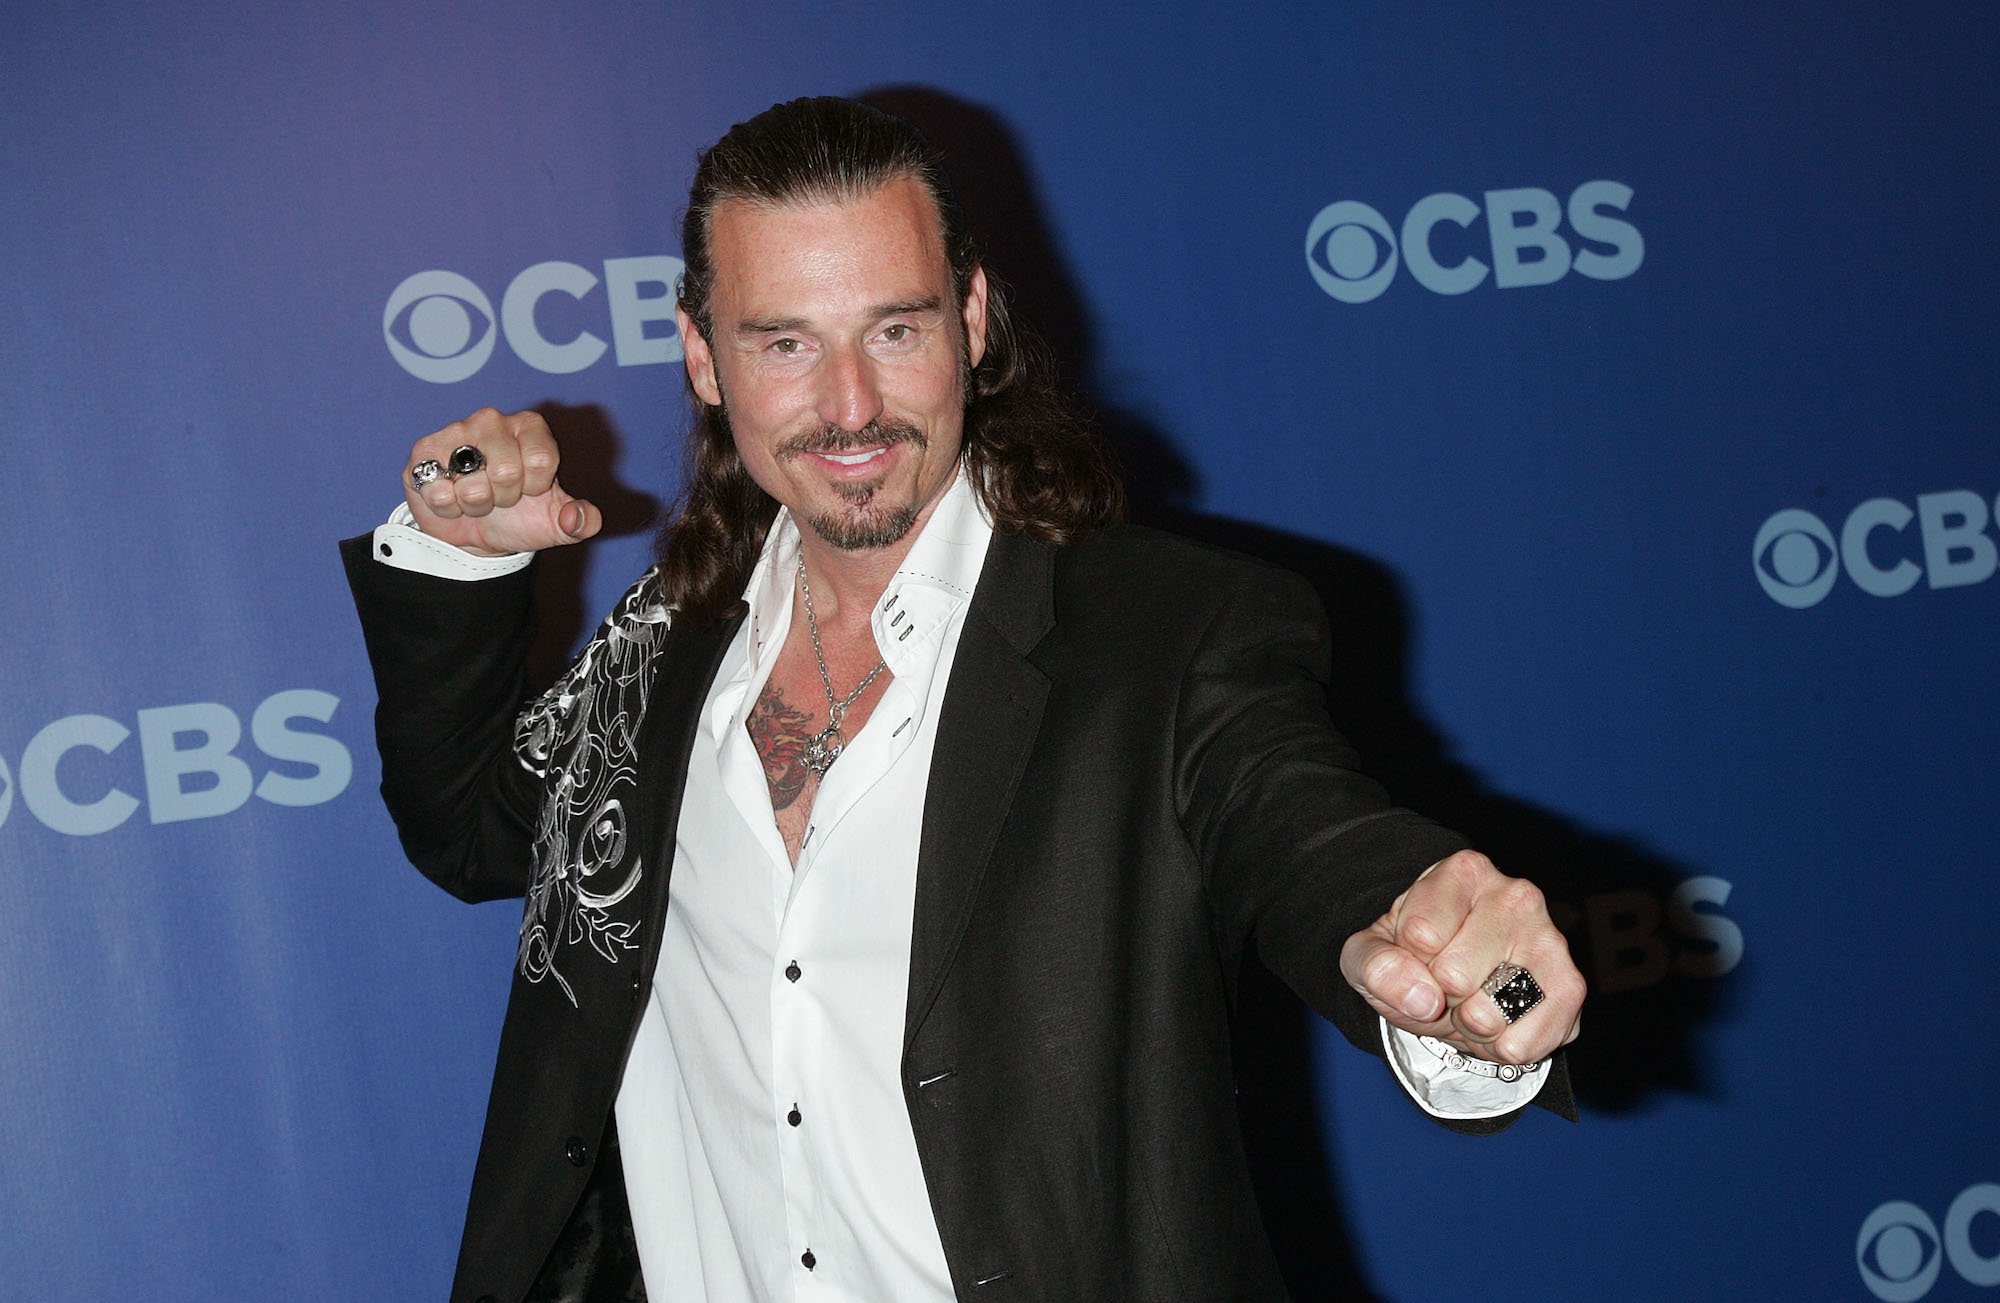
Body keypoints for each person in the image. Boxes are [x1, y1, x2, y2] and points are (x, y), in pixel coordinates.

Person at [343, 96, 1583, 1303]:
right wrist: (465, 555)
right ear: (700, 354)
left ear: (974, 318)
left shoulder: (1171, 636)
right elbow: (469, 825)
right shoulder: (664, 650)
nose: (847, 406)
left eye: (894, 329)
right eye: (784, 341)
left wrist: (1448, 979)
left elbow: (1310, 839)